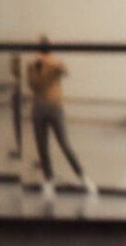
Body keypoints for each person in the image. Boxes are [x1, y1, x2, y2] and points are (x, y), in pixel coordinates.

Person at [26, 39, 98, 204]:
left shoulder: (56, 65)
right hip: (38, 108)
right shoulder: (32, 65)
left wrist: (49, 65)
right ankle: (49, 180)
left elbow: (65, 71)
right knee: (42, 146)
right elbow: (33, 85)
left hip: (55, 107)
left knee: (64, 144)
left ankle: (83, 177)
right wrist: (42, 68)